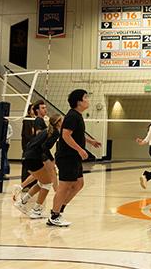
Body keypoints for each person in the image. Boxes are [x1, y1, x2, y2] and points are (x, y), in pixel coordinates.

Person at [48, 89, 101, 227]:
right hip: (67, 157)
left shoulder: (77, 115)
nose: (88, 100)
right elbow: (65, 135)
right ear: (79, 102)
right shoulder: (72, 116)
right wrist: (80, 149)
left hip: (73, 157)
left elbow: (76, 134)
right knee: (64, 186)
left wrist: (90, 142)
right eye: (85, 98)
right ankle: (54, 215)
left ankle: (59, 210)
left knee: (78, 184)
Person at [14, 115, 63, 219]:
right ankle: (36, 210)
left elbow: (34, 144)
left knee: (41, 182)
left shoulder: (46, 131)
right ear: (58, 123)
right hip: (33, 158)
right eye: (61, 120)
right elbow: (44, 147)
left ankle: (22, 202)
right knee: (48, 183)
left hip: (28, 157)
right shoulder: (55, 132)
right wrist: (51, 159)